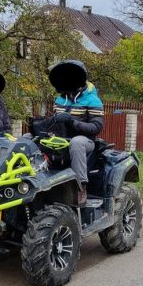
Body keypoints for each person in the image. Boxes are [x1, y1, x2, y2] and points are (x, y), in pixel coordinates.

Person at [47, 60, 104, 203]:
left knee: (76, 142)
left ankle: (80, 187)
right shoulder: (60, 99)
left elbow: (96, 127)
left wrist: (73, 122)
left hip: (86, 141)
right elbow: (53, 120)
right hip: (61, 138)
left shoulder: (93, 100)